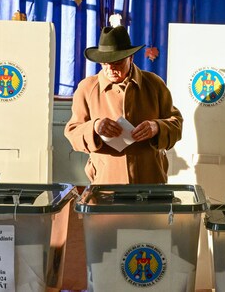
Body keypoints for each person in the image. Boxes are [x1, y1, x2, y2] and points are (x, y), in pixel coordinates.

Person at [64, 25, 183, 184]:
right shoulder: (87, 88)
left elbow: (176, 125)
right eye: (105, 63)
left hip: (151, 178)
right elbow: (72, 132)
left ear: (131, 58)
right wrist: (94, 127)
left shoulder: (154, 84)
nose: (110, 68)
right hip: (105, 180)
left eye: (117, 62)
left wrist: (157, 127)